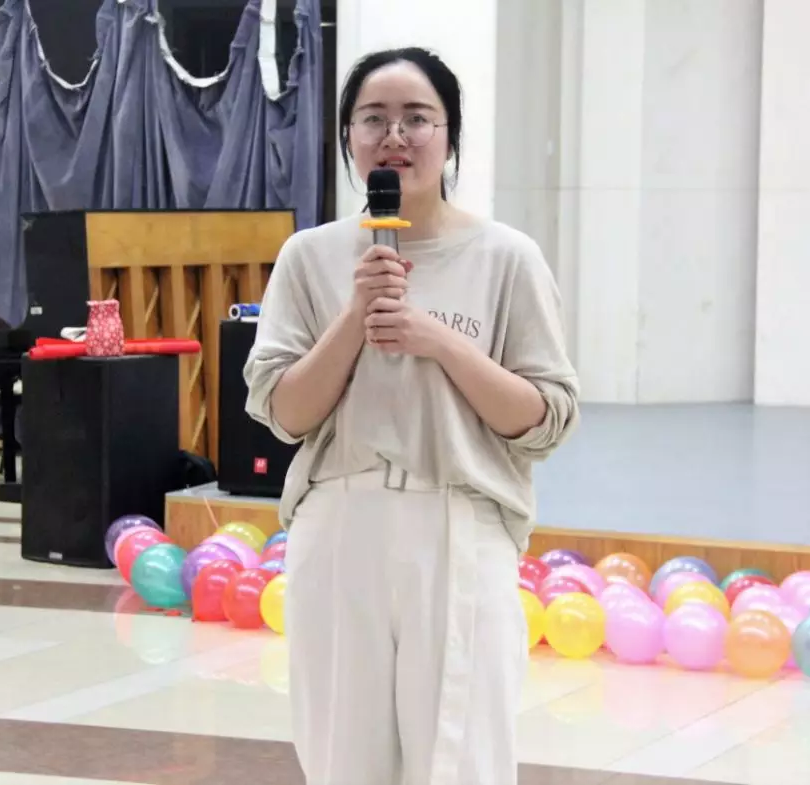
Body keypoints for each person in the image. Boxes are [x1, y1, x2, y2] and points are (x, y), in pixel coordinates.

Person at [244, 46, 580, 785]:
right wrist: (355, 314)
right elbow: (285, 413)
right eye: (373, 119)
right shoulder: (309, 256)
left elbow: (545, 419)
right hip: (341, 525)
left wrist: (437, 340)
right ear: (348, 139)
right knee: (342, 758)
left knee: (462, 758)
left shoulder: (507, 257)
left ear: (450, 137)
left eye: (417, 118)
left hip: (460, 521)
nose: (394, 136)